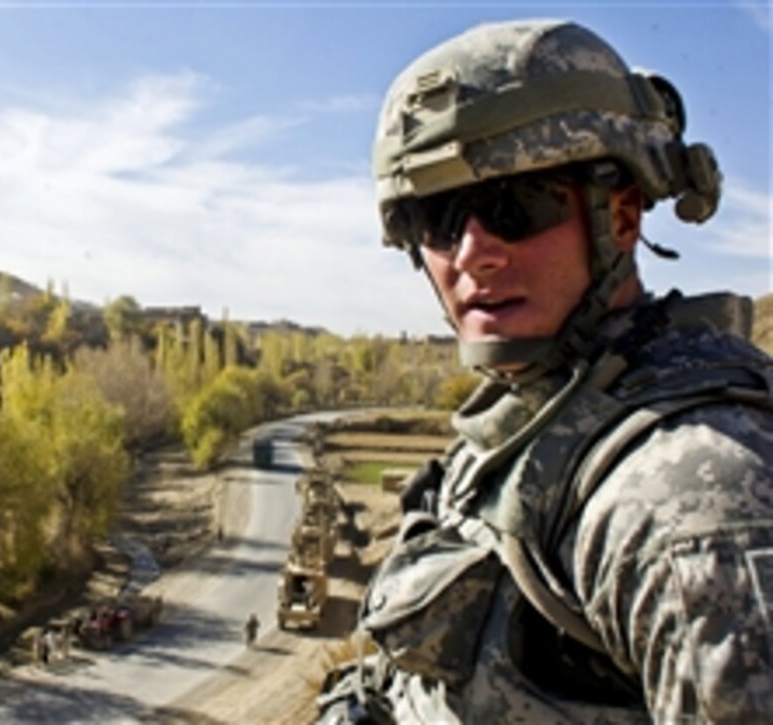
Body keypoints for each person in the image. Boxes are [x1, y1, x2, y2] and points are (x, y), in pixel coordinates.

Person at [318, 18, 773, 724]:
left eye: (515, 205)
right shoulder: (526, 422)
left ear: (621, 217)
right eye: (438, 216)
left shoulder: (694, 499)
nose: (472, 252)